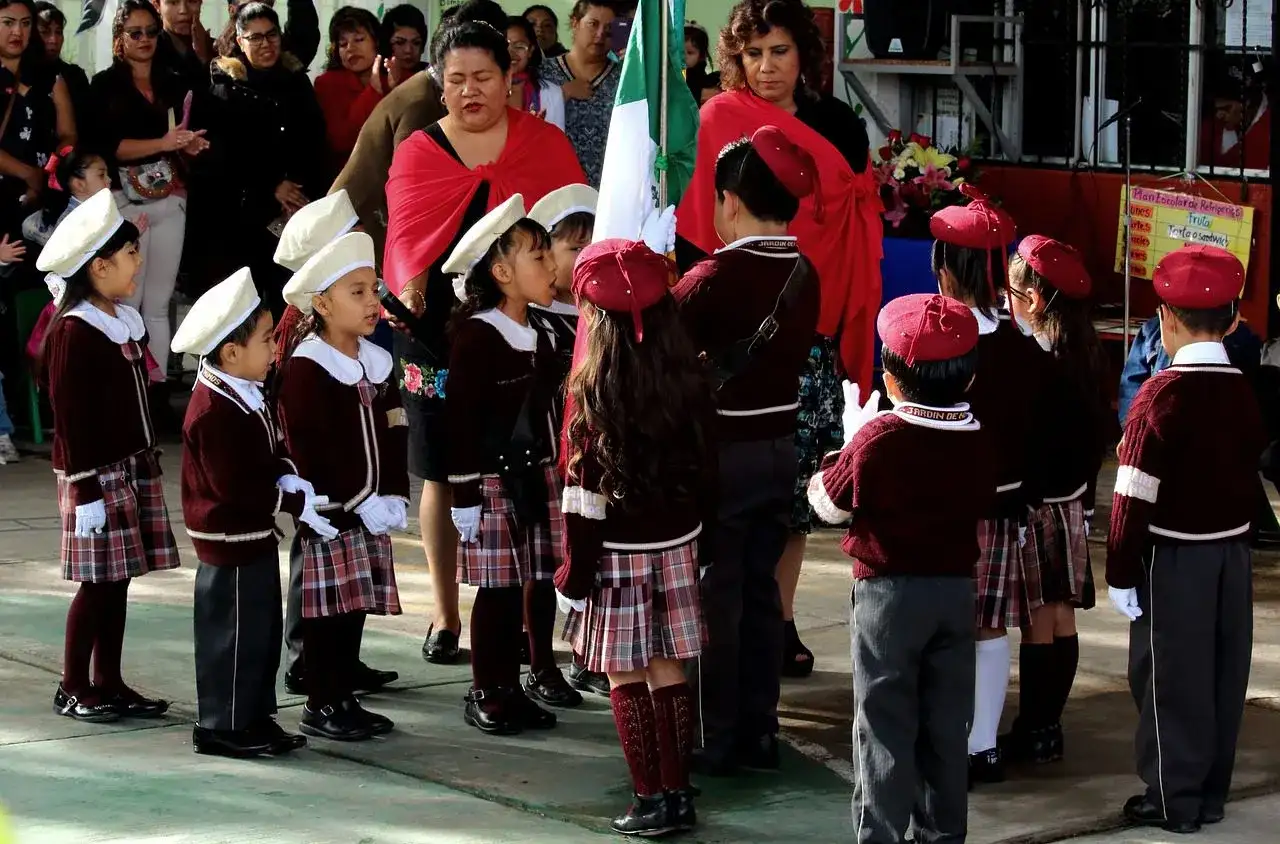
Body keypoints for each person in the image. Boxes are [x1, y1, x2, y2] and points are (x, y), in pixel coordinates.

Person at [677, 0, 880, 680]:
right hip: (731, 332)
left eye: (781, 52)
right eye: (755, 53)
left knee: (793, 498)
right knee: (723, 496)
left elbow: (845, 222)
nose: (767, 67)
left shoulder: (838, 125)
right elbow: (695, 225)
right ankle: (721, 621)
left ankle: (781, 617)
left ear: (804, 56)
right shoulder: (714, 121)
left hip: (808, 326)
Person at [382, 11, 585, 667]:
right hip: (432, 340)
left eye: (484, 77)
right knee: (441, 468)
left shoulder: (545, 146)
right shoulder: (418, 152)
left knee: (524, 470)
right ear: (439, 84)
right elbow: (405, 248)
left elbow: (569, 241)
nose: (470, 91)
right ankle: (445, 615)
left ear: (511, 79)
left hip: (525, 340)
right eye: (456, 79)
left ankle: (524, 620)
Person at [808, 293, 992, 844]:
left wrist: (843, 446)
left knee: (883, 723)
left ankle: (880, 835)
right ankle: (943, 835)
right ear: (967, 379)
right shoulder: (980, 438)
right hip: (956, 593)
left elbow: (827, 504)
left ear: (891, 378)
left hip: (888, 597)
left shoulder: (880, 437)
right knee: (945, 726)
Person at [673, 127, 819, 775]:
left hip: (723, 453)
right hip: (780, 448)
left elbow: (660, 346)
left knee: (717, 592)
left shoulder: (715, 275)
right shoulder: (803, 272)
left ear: (730, 201)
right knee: (762, 592)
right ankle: (761, 728)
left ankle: (716, 731)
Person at [556, 239, 713, 835]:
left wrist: (575, 572)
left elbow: (584, 500)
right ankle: (679, 791)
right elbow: (707, 470)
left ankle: (649, 797)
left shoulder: (593, 394)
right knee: (668, 666)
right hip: (678, 545)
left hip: (618, 558)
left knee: (624, 672)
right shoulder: (689, 379)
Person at [1107, 245, 1264, 834]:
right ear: (1231, 321)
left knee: (1168, 679)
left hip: (1172, 559)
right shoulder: (1242, 390)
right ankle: (1210, 792)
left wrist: (1120, 572)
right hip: (1232, 556)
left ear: (1165, 319)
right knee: (1224, 675)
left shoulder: (1159, 396)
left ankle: (1173, 799)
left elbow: (1131, 494)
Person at [173, 267, 327, 759]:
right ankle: (222, 725)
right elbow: (234, 485)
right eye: (266, 340)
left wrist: (286, 471)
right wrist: (289, 499)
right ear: (231, 353)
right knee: (232, 639)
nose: (274, 348)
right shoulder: (214, 408)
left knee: (259, 633)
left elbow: (270, 448)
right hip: (229, 540)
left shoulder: (245, 390)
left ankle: (255, 716)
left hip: (253, 536)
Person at [39, 188, 178, 723]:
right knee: (97, 583)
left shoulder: (118, 319)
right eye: (129, 255)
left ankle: (109, 680)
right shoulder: (76, 331)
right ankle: (73, 685)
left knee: (118, 579)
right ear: (97, 267)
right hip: (93, 473)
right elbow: (71, 420)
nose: (138, 263)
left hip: (127, 465)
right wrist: (86, 488)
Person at [442, 195, 579, 735]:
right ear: (501, 273)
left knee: (529, 577)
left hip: (536, 474)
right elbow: (460, 422)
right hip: (494, 481)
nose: (550, 267)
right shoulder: (479, 335)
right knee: (496, 591)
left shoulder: (543, 330)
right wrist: (466, 495)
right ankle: (486, 688)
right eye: (537, 257)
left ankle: (511, 685)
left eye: (549, 255)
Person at [929, 185, 1051, 785]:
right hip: (1005, 505)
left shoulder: (936, 338)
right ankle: (981, 746)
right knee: (990, 625)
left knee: (943, 627)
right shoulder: (1025, 342)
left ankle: (951, 741)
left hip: (947, 510)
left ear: (946, 268)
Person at [276, 231, 408, 742]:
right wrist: (356, 500)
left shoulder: (374, 361)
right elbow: (310, 448)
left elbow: (395, 425)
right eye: (357, 292)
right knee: (326, 612)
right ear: (322, 303)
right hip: (331, 515)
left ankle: (343, 691)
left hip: (370, 509)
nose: (373, 302)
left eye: (374, 289)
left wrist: (394, 491)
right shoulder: (308, 367)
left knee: (353, 606)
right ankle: (322, 701)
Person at [1001, 236, 1109, 766]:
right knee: (1063, 615)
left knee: (1040, 618)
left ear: (1036, 300)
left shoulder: (1040, 362)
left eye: (1013, 292)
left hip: (1039, 504)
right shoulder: (1086, 354)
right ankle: (1049, 727)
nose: (1008, 303)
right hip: (1071, 503)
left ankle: (1033, 726)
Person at [88, 0, 209, 415]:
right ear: (119, 39)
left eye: (151, 33)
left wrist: (189, 144)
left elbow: (182, 138)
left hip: (170, 195)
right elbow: (109, 146)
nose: (144, 41)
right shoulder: (105, 84)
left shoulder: (173, 80)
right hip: (125, 199)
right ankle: (126, 387)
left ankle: (154, 393)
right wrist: (165, 143)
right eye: (135, 33)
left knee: (158, 304)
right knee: (128, 298)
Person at [525, 182, 608, 698]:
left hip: (587, 459)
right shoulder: (531, 318)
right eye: (571, 247)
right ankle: (540, 663)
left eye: (589, 246)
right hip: (541, 459)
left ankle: (588, 653)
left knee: (590, 556)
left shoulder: (599, 314)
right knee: (542, 563)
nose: (581, 258)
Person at [197, 1, 325, 313]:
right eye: (255, 37)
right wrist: (272, 185)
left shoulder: (296, 80)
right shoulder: (225, 86)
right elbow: (225, 153)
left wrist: (298, 189)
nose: (265, 44)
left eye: (271, 35)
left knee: (292, 304)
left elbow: (314, 139)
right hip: (244, 217)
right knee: (247, 309)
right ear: (239, 41)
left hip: (296, 210)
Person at [0, 0, 76, 233]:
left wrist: (49, 171)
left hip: (45, 197)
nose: (17, 32)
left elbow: (68, 135)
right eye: (8, 23)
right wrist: (28, 174)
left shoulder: (49, 77)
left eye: (25, 23)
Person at [538, 0, 620, 187]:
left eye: (608, 28)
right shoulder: (543, 73)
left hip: (608, 190)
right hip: (553, 188)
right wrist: (561, 93)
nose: (600, 35)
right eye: (593, 24)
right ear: (575, 23)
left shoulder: (624, 79)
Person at [315, 6, 393, 177]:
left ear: (376, 42)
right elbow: (341, 140)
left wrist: (396, 92)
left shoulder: (396, 76)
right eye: (343, 43)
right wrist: (372, 92)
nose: (350, 48)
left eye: (359, 39)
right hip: (350, 180)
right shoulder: (327, 84)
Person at [32, 3, 90, 129]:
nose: (54, 39)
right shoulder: (17, 75)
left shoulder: (74, 77)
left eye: (58, 32)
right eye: (45, 32)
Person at [216, 0, 319, 68]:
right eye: (255, 38)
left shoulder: (287, 59)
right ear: (232, 10)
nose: (265, 44)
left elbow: (304, 33)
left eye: (266, 5)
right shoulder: (217, 60)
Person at [507, 15, 564, 130]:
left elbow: (557, 143)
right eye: (504, 46)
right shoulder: (483, 89)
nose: (511, 52)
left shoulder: (552, 93)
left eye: (519, 46)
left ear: (531, 50)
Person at [152, 0, 215, 87]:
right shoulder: (149, 51)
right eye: (173, 2)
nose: (183, 10)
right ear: (157, 6)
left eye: (192, 1)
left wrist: (205, 59)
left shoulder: (221, 49)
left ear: (200, 2)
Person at [379, 3, 427, 86]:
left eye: (416, 43)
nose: (408, 50)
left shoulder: (433, 77)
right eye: (400, 42)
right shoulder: (376, 78)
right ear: (387, 44)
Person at [683, 22, 719, 105]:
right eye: (680, 52)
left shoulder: (709, 80)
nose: (683, 56)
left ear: (701, 56)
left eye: (690, 52)